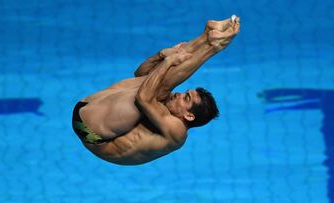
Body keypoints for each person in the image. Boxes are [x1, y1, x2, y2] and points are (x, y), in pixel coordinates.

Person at [72, 15, 240, 165]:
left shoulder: (177, 132)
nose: (179, 94)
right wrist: (161, 55)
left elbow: (143, 98)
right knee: (153, 79)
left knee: (159, 87)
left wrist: (168, 62)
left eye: (186, 98)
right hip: (88, 104)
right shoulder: (167, 109)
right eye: (185, 93)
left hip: (91, 131)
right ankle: (207, 36)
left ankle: (213, 46)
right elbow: (140, 74)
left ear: (189, 115)